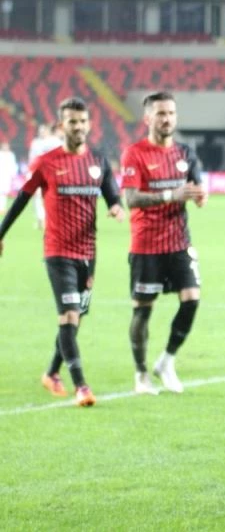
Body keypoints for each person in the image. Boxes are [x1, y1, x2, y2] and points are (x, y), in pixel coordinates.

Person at [0, 97, 125, 406]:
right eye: (72, 121)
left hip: (88, 253)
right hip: (58, 252)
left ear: (89, 124)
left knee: (77, 317)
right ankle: (82, 386)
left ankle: (51, 373)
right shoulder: (46, 163)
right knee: (69, 314)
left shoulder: (98, 161)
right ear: (61, 125)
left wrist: (115, 206)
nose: (78, 126)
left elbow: (110, 190)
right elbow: (21, 200)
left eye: (82, 121)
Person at [121, 91, 207, 395]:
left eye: (171, 113)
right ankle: (141, 374)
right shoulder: (135, 154)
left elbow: (196, 185)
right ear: (147, 118)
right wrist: (172, 194)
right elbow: (131, 198)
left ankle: (167, 361)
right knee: (143, 310)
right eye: (160, 113)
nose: (167, 118)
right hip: (146, 245)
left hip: (179, 242)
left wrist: (200, 195)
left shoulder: (185, 153)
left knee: (192, 298)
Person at [28, 123, 62, 229]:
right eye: (41, 131)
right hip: (40, 172)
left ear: (48, 131)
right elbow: (32, 158)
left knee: (49, 196)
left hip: (50, 173)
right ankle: (41, 219)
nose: (42, 133)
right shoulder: (37, 143)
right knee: (39, 196)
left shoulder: (54, 142)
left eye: (44, 131)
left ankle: (48, 219)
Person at [0, 141, 18, 215]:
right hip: (1, 175)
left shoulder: (11, 155)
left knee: (4, 192)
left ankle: (2, 208)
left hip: (7, 176)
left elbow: (13, 165)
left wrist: (13, 175)